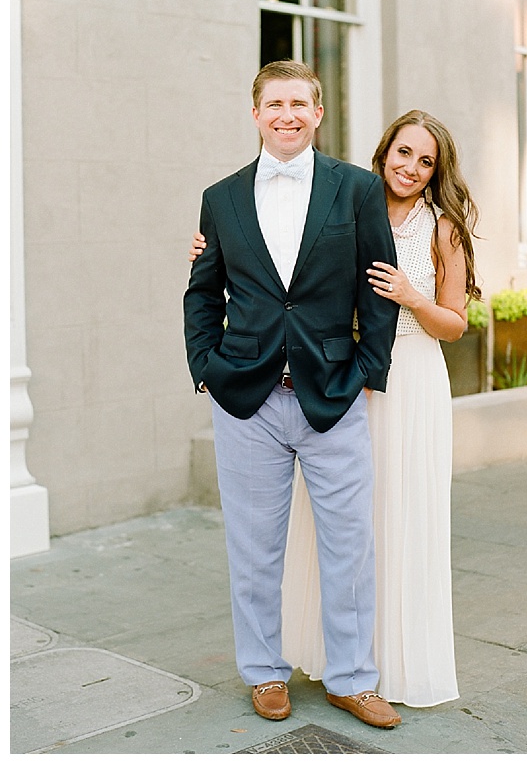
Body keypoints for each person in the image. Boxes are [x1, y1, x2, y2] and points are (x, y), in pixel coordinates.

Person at [190, 110, 479, 708]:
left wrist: (377, 357)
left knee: (367, 537)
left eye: (426, 161)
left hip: (376, 383)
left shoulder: (424, 219)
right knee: (269, 539)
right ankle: (275, 668)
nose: (412, 167)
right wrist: (207, 367)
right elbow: (229, 282)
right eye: (404, 153)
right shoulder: (322, 192)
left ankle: (363, 673)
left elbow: (440, 318)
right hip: (286, 385)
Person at [183, 60, 402, 728]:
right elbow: (203, 289)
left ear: (318, 113)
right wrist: (204, 366)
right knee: (253, 547)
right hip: (244, 397)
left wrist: (368, 367)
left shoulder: (357, 189)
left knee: (350, 546)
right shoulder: (219, 198)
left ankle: (352, 678)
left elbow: (380, 284)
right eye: (274, 102)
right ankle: (264, 672)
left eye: (300, 103)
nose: (287, 114)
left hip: (332, 393)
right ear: (255, 114)